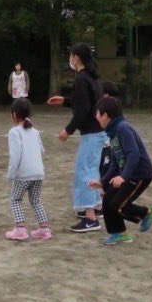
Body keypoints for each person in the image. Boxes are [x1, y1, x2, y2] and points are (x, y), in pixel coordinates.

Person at [47, 43, 104, 232]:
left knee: (85, 172)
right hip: (97, 132)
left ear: (76, 57)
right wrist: (65, 100)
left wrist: (68, 130)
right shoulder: (91, 77)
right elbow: (85, 102)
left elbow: (83, 110)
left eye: (71, 55)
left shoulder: (81, 79)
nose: (70, 59)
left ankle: (90, 219)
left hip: (91, 133)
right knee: (92, 170)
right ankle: (95, 208)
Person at [88, 96, 152, 246]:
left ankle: (148, 212)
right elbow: (115, 163)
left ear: (106, 115)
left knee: (118, 206)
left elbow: (134, 154)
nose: (96, 116)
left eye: (98, 113)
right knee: (107, 201)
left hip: (140, 174)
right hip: (126, 174)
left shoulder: (123, 128)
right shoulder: (112, 132)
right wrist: (102, 182)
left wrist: (123, 176)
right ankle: (119, 233)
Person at [4, 98, 51, 241]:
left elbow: (15, 156)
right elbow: (41, 150)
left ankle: (20, 229)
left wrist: (10, 174)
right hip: (38, 173)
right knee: (36, 200)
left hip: (23, 174)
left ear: (14, 114)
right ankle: (44, 229)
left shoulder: (14, 132)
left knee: (15, 199)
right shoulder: (35, 131)